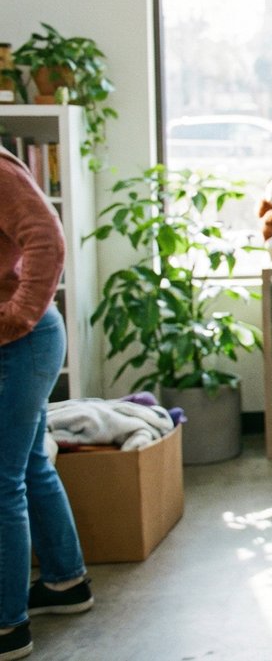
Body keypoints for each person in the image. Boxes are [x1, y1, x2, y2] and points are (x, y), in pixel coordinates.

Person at [0, 146, 93, 661]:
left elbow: (46, 238)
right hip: (22, 344)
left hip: (19, 344)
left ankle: (7, 626)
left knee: (1, 478)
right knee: (30, 465)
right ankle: (65, 582)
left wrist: (15, 317)